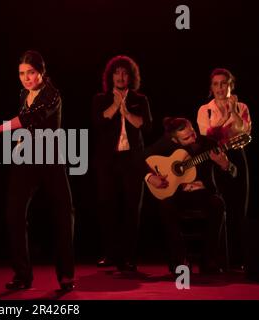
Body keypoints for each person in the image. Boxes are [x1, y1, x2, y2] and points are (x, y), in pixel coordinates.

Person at [0, 50, 75, 291]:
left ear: (41, 72)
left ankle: (66, 275)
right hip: (26, 159)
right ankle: (23, 275)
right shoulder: (24, 93)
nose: (26, 78)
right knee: (14, 214)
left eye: (31, 73)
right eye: (22, 74)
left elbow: (30, 119)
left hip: (51, 159)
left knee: (64, 214)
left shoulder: (53, 95)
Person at [145, 117, 237, 274]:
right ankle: (180, 260)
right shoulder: (166, 144)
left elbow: (235, 173)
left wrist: (226, 165)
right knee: (165, 205)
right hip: (178, 193)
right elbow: (140, 159)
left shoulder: (210, 144)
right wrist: (149, 177)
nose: (193, 137)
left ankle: (209, 261)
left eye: (193, 132)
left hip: (203, 193)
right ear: (175, 139)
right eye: (186, 138)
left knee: (218, 203)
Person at [91, 55, 152, 271]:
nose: (121, 76)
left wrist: (126, 110)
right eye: (116, 72)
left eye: (125, 73)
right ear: (111, 76)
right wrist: (116, 106)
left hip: (132, 161)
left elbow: (146, 126)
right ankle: (110, 254)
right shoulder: (101, 98)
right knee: (108, 206)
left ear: (131, 77)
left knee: (132, 209)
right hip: (108, 162)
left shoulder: (140, 99)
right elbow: (97, 122)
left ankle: (129, 257)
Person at [197, 68, 252, 268]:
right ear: (211, 88)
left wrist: (233, 111)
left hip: (237, 156)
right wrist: (223, 116)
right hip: (213, 157)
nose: (220, 88)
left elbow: (245, 132)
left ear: (231, 85)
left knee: (239, 208)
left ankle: (240, 260)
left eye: (224, 83)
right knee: (220, 207)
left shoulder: (243, 106)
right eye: (216, 84)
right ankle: (219, 259)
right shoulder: (206, 109)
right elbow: (207, 134)